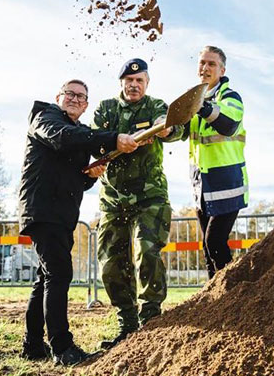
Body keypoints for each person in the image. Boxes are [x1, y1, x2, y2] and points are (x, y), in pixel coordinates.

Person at [17, 79, 132, 366]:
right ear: (58, 96)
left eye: (81, 97)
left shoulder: (78, 131)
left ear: (86, 105)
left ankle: (33, 344)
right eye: (70, 93)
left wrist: (89, 176)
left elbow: (74, 178)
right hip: (43, 210)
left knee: (45, 278)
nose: (75, 99)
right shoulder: (45, 118)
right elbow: (62, 138)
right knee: (58, 275)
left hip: (61, 213)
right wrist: (113, 137)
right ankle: (63, 348)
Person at [92, 58, 183, 349]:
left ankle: (152, 320)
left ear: (147, 83)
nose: (134, 85)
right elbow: (94, 140)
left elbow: (175, 128)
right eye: (129, 81)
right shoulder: (105, 109)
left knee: (147, 251)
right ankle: (127, 324)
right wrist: (114, 141)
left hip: (150, 196)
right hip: (113, 198)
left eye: (139, 81)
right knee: (111, 263)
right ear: (121, 83)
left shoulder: (156, 106)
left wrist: (166, 128)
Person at [182, 45, 248, 278]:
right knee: (207, 248)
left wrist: (201, 105)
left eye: (211, 64)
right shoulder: (193, 99)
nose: (205, 67)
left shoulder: (230, 97)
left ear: (222, 70)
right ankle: (212, 300)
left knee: (215, 242)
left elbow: (229, 124)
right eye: (202, 62)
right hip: (202, 186)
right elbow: (180, 131)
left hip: (227, 185)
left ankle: (232, 295)